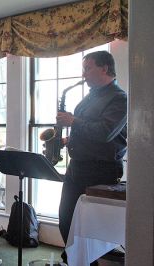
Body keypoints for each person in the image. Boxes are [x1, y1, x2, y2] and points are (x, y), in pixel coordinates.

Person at [56, 51, 127, 265]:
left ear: (104, 68)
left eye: (88, 68)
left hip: (100, 170)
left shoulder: (119, 98)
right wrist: (70, 140)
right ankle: (78, 261)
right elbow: (88, 130)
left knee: (90, 227)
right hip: (77, 167)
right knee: (66, 220)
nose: (83, 74)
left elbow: (106, 132)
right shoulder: (91, 96)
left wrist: (73, 121)